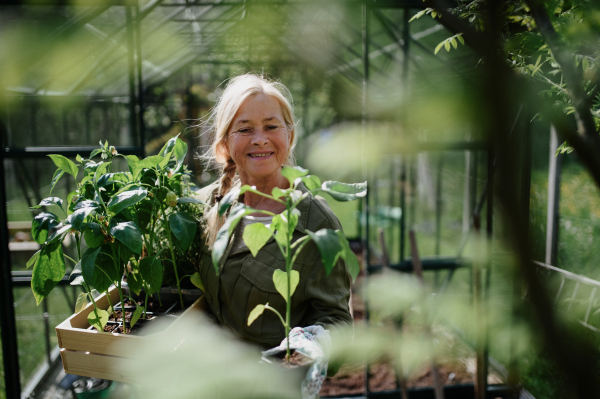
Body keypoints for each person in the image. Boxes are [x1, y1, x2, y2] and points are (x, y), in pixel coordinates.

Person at [194, 74, 352, 371]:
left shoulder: (316, 225)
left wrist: (308, 347)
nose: (260, 139)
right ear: (225, 142)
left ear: (289, 136)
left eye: (271, 126)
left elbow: (337, 323)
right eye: (244, 129)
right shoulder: (210, 203)